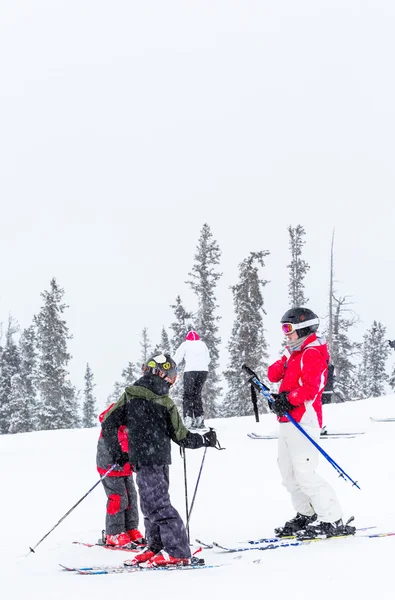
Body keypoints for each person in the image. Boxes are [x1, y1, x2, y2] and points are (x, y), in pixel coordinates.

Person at [101, 352, 218, 568]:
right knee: (152, 505)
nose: (172, 383)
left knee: (154, 505)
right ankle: (158, 546)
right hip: (154, 461)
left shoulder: (135, 397)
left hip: (148, 461)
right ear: (164, 375)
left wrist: (118, 452)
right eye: (172, 377)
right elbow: (182, 436)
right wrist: (204, 439)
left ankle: (176, 550)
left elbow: (108, 423)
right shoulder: (148, 399)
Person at [267, 307, 354, 539]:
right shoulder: (295, 351)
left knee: (305, 472)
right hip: (287, 420)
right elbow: (273, 375)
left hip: (304, 420)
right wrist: (286, 358)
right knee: (288, 473)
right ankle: (307, 513)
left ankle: (332, 518)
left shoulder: (312, 353)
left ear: (303, 328)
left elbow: (312, 389)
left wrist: (288, 399)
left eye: (288, 328)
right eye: (283, 328)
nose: (285, 333)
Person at [96, 405, 144, 547]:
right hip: (111, 468)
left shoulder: (129, 426)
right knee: (118, 498)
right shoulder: (110, 426)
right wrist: (116, 457)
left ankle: (130, 528)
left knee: (131, 498)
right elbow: (106, 447)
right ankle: (114, 532)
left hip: (126, 468)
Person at [173, 330, 210, 429]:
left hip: (190, 371)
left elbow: (177, 359)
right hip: (203, 371)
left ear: (187, 338)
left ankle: (188, 418)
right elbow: (208, 359)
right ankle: (199, 419)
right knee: (197, 394)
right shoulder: (203, 344)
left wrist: (172, 367)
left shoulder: (185, 344)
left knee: (188, 395)